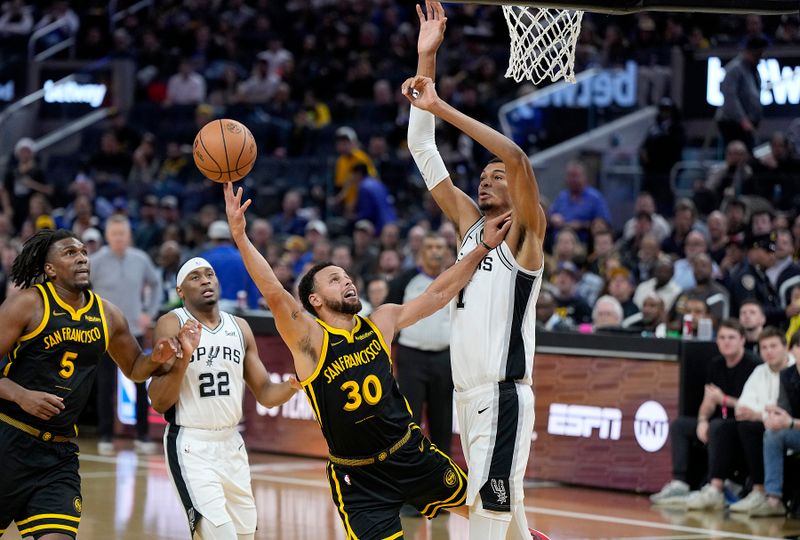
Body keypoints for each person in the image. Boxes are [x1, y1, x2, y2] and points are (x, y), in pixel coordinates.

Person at [224, 181, 514, 539]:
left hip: (409, 453)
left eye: (347, 277)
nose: (348, 283)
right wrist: (240, 236)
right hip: (358, 477)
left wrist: (483, 247)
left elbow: (437, 293)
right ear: (314, 301)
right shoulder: (309, 340)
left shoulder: (381, 321)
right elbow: (273, 292)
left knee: (487, 509)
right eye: (334, 280)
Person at [405, 2, 546, 537]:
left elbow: (517, 159)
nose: (485, 182)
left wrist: (443, 107)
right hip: (469, 400)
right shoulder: (469, 226)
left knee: (484, 522)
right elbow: (421, 147)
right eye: (481, 177)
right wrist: (427, 58)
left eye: (494, 178)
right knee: (508, 525)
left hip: (503, 395)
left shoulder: (528, 236)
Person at [0, 229, 199, 539]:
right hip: (8, 440)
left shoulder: (107, 314)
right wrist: (20, 395)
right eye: (69, 253)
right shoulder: (27, 305)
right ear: (50, 270)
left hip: (57, 455)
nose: (81, 257)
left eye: (82, 252)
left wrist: (157, 357)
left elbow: (134, 368)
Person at [148, 257, 300, 539]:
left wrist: (294, 383)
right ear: (180, 291)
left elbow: (265, 394)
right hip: (191, 444)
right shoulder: (172, 323)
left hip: (232, 445)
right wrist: (184, 356)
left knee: (244, 536)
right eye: (195, 277)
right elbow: (158, 401)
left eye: (209, 274)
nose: (205, 280)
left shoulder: (239, 327)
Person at [650, 319, 759, 507]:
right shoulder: (716, 364)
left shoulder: (753, 365)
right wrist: (702, 420)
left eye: (731, 337)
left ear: (742, 340)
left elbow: (752, 405)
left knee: (718, 426)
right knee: (681, 425)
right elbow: (708, 401)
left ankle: (714, 487)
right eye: (722, 337)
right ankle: (680, 483)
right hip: (720, 420)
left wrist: (723, 399)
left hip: (743, 423)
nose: (726, 342)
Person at [91, 215, 163, 455]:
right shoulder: (95, 261)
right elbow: (80, 290)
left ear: (128, 235)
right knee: (105, 385)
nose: (119, 238)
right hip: (104, 333)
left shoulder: (140, 260)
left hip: (134, 332)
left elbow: (157, 285)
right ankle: (105, 436)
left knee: (140, 383)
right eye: (115, 234)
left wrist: (149, 313)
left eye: (123, 234)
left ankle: (143, 436)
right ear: (107, 236)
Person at [727, 327, 794, 514]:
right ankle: (758, 491)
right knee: (742, 426)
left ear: (786, 348)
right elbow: (743, 406)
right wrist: (763, 416)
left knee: (769, 432)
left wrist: (760, 414)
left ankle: (767, 493)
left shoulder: (794, 370)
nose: (769, 351)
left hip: (790, 426)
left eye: (773, 346)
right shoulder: (759, 371)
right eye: (764, 347)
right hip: (771, 426)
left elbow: (783, 411)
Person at [756, 331, 800, 517]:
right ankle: (773, 499)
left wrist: (789, 422)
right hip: (796, 430)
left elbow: (789, 421)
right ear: (791, 350)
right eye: (799, 346)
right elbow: (784, 411)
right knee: (772, 434)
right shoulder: (787, 375)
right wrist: (775, 417)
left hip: (795, 425)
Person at [714, 37, 768, 151]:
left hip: (747, 123)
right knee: (739, 155)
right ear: (749, 51)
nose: (760, 58)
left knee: (751, 155)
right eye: (758, 54)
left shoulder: (752, 69)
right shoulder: (734, 69)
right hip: (733, 124)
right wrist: (743, 120)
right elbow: (730, 97)